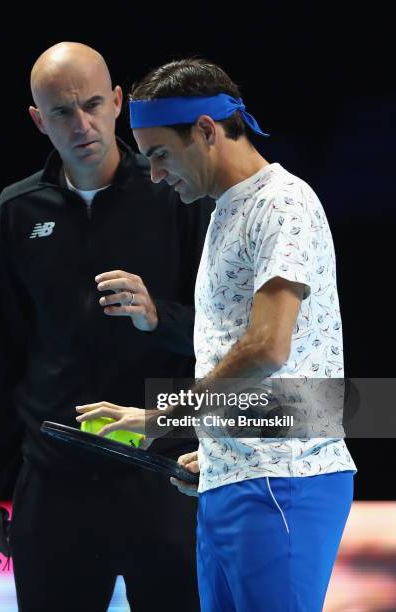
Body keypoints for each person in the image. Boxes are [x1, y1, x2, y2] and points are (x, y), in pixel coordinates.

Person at [76, 58, 358, 612]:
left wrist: (167, 418)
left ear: (206, 131)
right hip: (235, 482)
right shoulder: (224, 213)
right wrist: (221, 450)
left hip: (284, 484)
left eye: (159, 154)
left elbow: (268, 348)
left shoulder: (283, 202)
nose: (154, 174)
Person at [0, 44, 213, 612]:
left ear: (119, 103)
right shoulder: (17, 212)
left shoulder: (175, 192)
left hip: (164, 470)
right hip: (55, 483)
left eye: (94, 105)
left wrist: (159, 315)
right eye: (62, 112)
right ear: (38, 119)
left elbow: (230, 338)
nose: (82, 125)